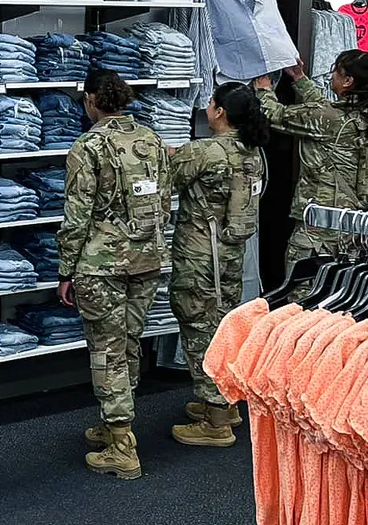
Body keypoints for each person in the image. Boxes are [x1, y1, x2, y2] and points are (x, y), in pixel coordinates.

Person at [58, 69, 171, 479]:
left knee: (107, 352)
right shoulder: (153, 140)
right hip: (147, 258)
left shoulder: (87, 146)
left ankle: (123, 445)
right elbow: (164, 200)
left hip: (101, 264)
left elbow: (77, 215)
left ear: (91, 100)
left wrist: (66, 268)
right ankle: (113, 424)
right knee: (127, 345)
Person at [164, 84, 269, 448]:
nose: (208, 109)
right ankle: (225, 400)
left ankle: (216, 417)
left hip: (198, 253)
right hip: (229, 254)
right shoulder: (253, 153)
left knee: (197, 324)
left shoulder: (205, 152)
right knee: (223, 322)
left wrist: (169, 154)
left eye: (210, 103)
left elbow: (168, 178)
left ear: (220, 112)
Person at [255, 49, 368, 267]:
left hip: (319, 228)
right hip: (349, 224)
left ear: (348, 81)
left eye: (335, 71)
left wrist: (263, 90)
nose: (331, 75)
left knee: (303, 291)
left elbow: (275, 114)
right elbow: (321, 113)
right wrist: (299, 78)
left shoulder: (330, 119)